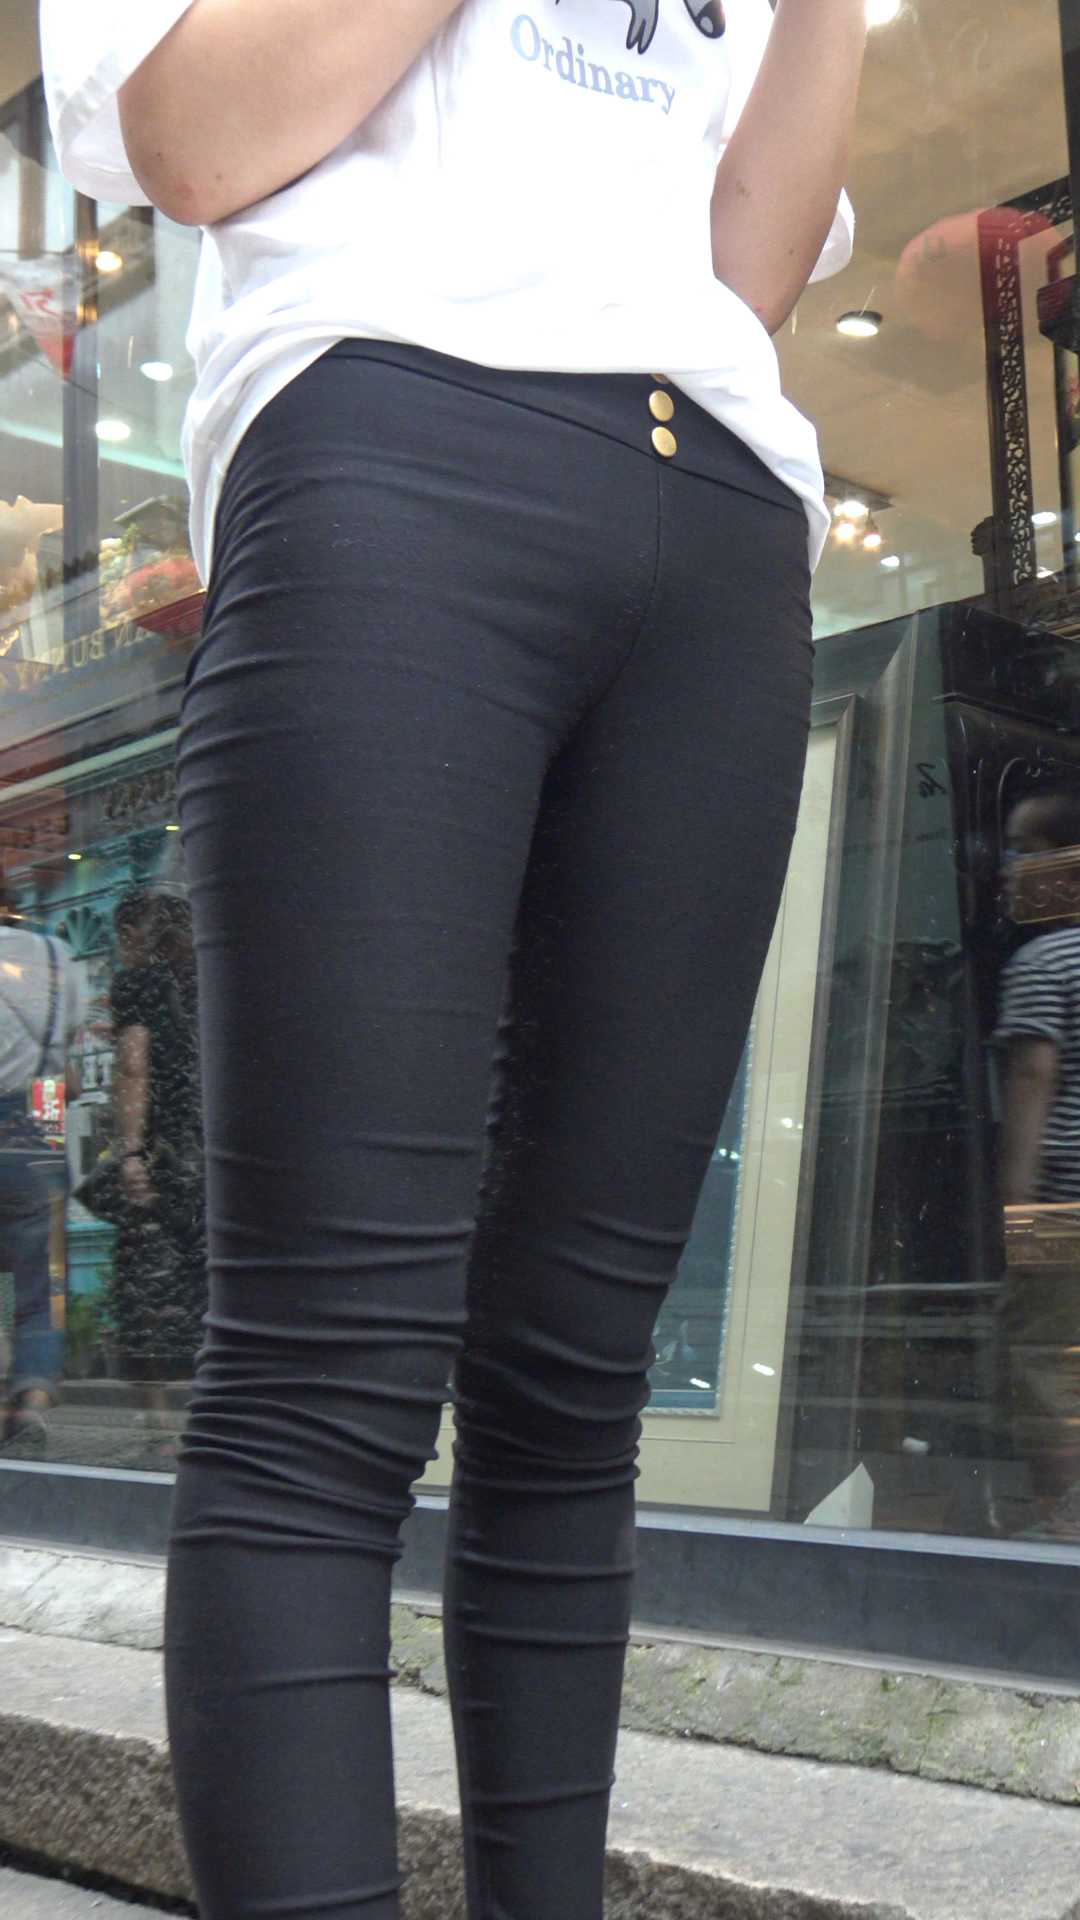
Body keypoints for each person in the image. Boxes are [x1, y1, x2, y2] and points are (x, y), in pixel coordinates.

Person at [42, 2, 867, 1913]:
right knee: (328, 1363)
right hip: (397, 438)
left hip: (722, 516)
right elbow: (198, 137)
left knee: (576, 1379)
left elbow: (738, 279)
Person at [995, 788, 1080, 1538]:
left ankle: (1063, 1520)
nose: (1007, 867)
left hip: (1062, 1202)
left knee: (1045, 1360)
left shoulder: (1044, 960)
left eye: (1025, 850)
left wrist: (1018, 1206)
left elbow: (1032, 1078)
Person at [106, 890, 205, 1455]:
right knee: (208, 1283)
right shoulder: (216, 979)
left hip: (167, 1154)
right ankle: (212, 1419)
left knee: (147, 1282)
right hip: (221, 1154)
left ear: (132, 935)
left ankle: (160, 1429)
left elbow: (133, 1067)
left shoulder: (137, 983)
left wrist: (129, 1152)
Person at [0, 885, 84, 1448]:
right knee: (38, 1280)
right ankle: (30, 1398)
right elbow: (67, 1075)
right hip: (38, 1120)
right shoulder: (59, 957)